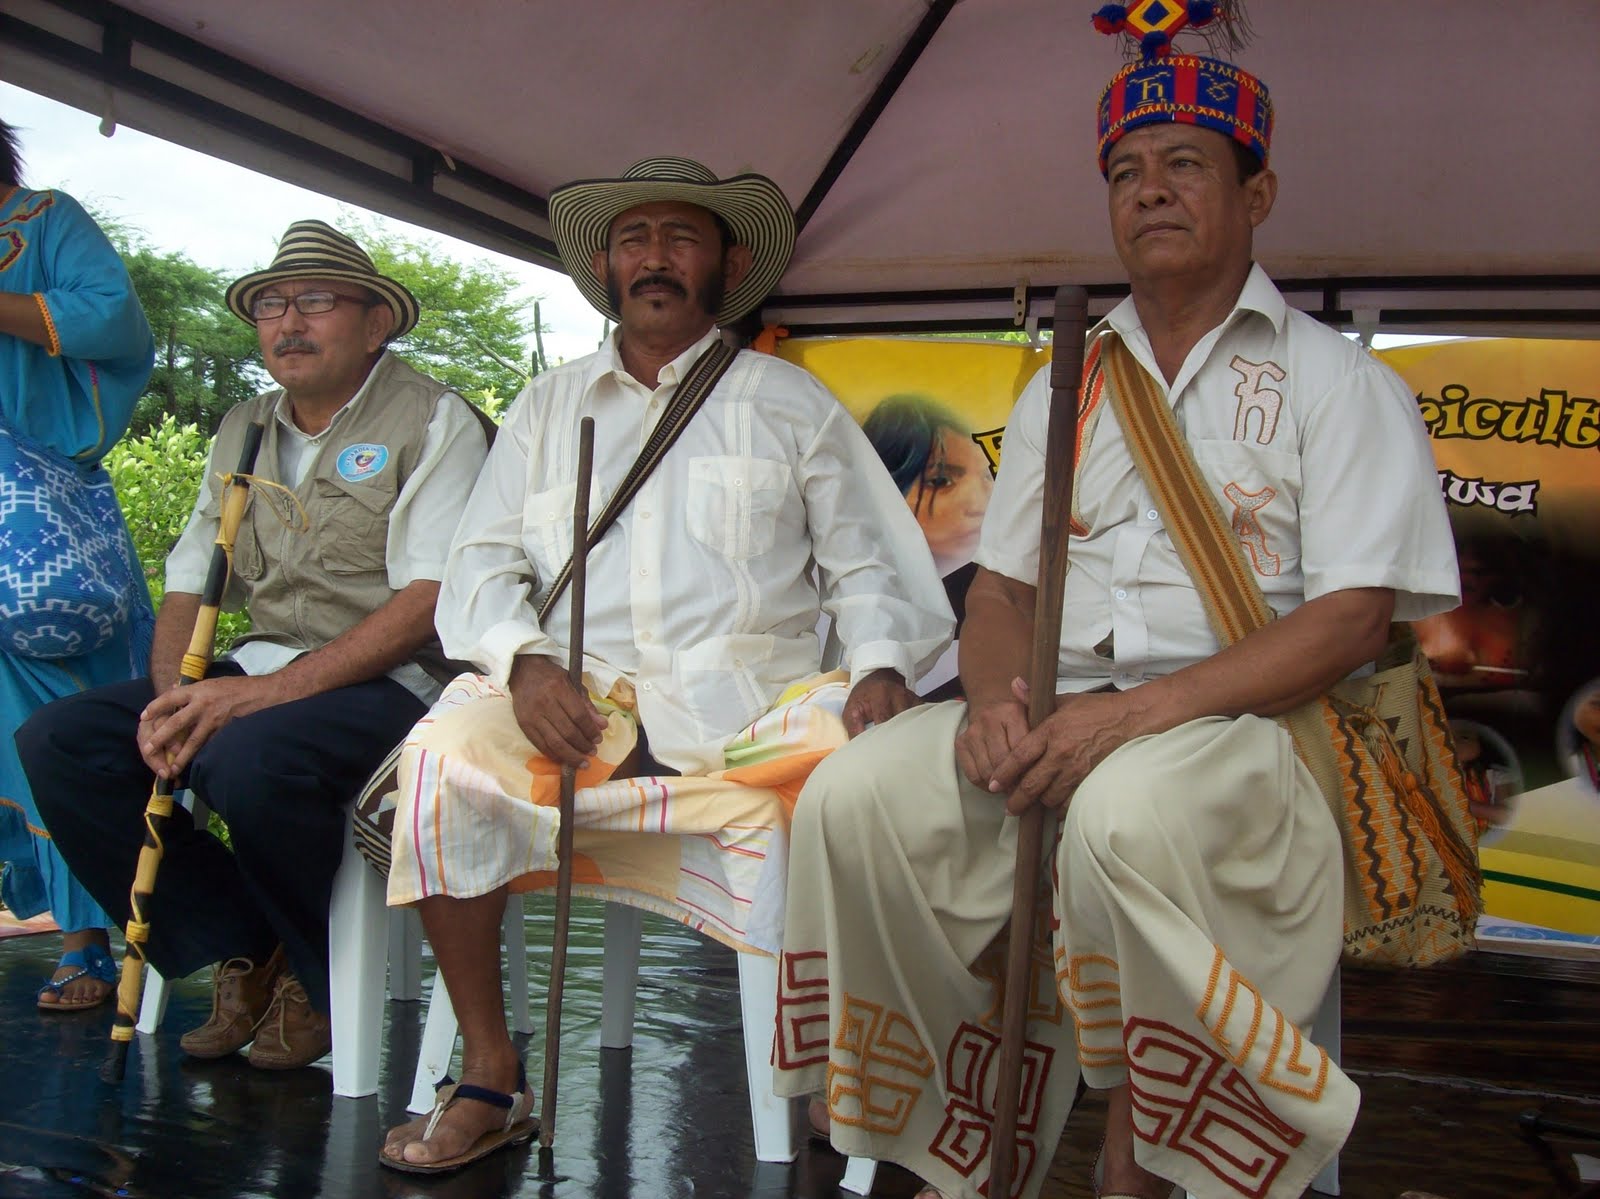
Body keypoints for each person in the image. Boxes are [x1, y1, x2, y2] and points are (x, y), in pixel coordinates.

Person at [771, 32, 1460, 1199]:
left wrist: (1130, 718)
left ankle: (1139, 1166)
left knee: (1123, 816)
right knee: (854, 793)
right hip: (1067, 707)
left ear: (1257, 195)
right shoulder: (1067, 378)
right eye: (1126, 169)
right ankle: (950, 1131)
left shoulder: (1339, 384)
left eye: (1185, 164)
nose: (1148, 188)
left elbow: (1349, 619)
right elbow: (1000, 593)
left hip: (1256, 731)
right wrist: (994, 701)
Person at [376, 156, 954, 1172]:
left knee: (877, 768)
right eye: (635, 239)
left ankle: (841, 1068)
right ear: (605, 262)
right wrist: (522, 663)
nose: (654, 258)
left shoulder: (789, 403)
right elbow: (479, 567)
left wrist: (874, 665)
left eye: (680, 239)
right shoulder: (548, 406)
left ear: (726, 263)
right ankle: (490, 1069)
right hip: (579, 706)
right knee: (441, 758)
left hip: (753, 717)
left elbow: (871, 562)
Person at [17, 220, 491, 1069]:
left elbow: (428, 603)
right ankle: (245, 941)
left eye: (315, 300)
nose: (288, 322)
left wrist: (252, 698)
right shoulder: (245, 425)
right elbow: (193, 579)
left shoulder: (435, 419)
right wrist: (172, 699)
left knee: (248, 756)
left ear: (377, 321)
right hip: (263, 671)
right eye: (271, 305)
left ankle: (316, 977)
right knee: (62, 740)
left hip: (402, 683)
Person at [0, 118, 155, 1012]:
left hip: (31, 533)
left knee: (47, 733)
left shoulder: (44, 219)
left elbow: (113, 319)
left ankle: (87, 937)